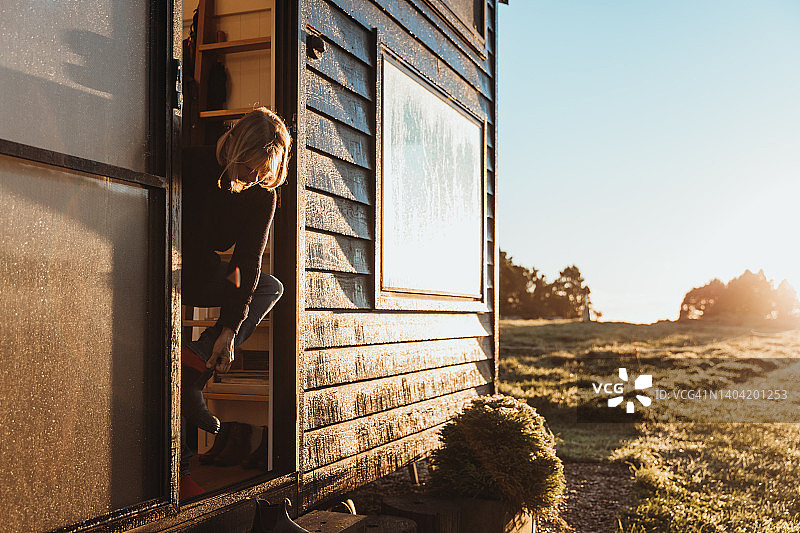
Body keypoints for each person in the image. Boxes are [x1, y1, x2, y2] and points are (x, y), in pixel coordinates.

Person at [179, 107, 292, 498]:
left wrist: (228, 330)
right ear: (235, 149)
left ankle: (196, 361)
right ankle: (178, 471)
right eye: (251, 167)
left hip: (202, 272)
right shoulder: (188, 162)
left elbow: (246, 263)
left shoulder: (262, 195)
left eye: (264, 171)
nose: (256, 178)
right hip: (158, 263)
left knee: (268, 287)